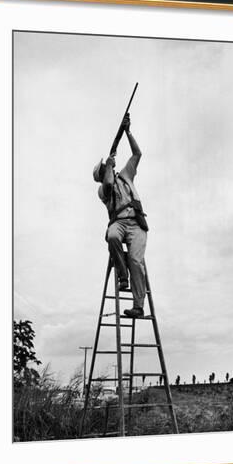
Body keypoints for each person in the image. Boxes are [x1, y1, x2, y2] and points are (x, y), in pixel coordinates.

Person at [92, 114, 148, 318]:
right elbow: (107, 184)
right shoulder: (102, 190)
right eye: (105, 168)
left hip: (137, 223)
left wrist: (127, 132)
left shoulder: (125, 175)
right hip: (119, 223)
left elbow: (137, 153)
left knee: (136, 260)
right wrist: (109, 163)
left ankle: (138, 306)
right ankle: (122, 277)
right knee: (112, 236)